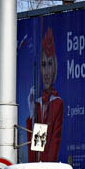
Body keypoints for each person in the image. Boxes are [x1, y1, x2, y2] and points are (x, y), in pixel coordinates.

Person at [27, 27, 64, 162]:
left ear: (54, 66)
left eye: (49, 64)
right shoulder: (39, 102)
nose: (47, 71)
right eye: (43, 65)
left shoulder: (56, 103)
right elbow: (37, 147)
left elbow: (54, 142)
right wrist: (32, 113)